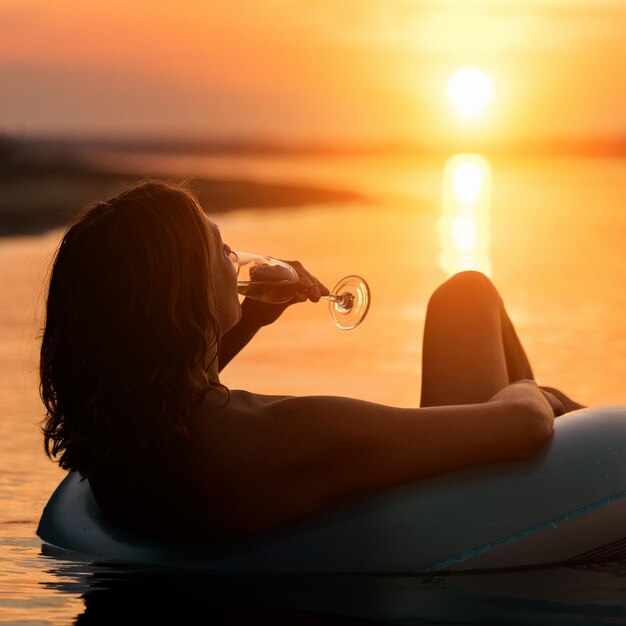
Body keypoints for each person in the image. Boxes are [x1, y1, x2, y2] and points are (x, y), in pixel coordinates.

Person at [40, 181, 581, 540]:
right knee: (467, 298)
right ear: (180, 296)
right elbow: (524, 426)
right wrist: (537, 391)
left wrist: (249, 317)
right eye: (220, 248)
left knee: (462, 304)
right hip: (456, 530)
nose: (236, 261)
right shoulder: (283, 435)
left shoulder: (119, 443)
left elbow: (162, 385)